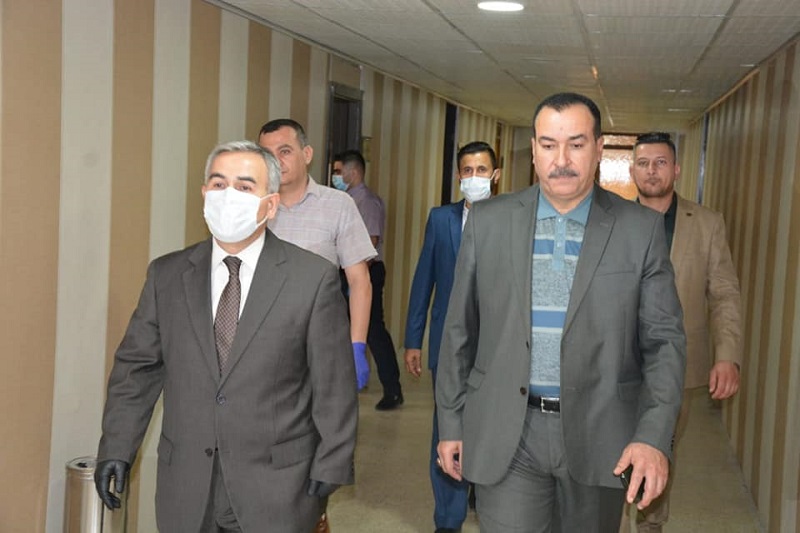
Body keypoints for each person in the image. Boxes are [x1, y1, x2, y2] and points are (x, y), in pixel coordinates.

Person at [435, 92, 687, 533]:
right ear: (534, 150)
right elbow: (460, 331)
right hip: (508, 431)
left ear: (599, 148)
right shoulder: (489, 222)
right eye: (549, 145)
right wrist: (451, 421)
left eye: (576, 144)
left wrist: (652, 436)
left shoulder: (639, 230)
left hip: (601, 435)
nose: (562, 159)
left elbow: (664, 344)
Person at [94, 141, 358, 532]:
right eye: (219, 184)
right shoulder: (167, 276)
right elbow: (136, 370)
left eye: (245, 186)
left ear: (270, 205)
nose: (228, 196)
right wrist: (117, 445)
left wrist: (333, 460)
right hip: (187, 485)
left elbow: (333, 383)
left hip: (278, 485)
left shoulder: (312, 279)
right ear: (204, 194)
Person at [622, 131, 742, 532]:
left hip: (677, 367)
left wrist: (727, 356)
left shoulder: (706, 223)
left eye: (660, 163)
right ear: (632, 170)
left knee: (660, 449)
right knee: (611, 451)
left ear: (676, 169)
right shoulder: (613, 221)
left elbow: (724, 293)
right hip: (617, 364)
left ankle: (650, 525)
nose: (651, 171)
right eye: (643, 163)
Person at [403, 141, 501, 533]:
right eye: (467, 170)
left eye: (482, 170)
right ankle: (448, 518)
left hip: (496, 346)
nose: (474, 177)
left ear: (495, 175)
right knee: (447, 428)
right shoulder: (441, 218)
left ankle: (482, 487)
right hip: (447, 344)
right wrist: (414, 338)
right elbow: (424, 278)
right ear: (459, 176)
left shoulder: (511, 219)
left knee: (490, 425)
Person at [258, 119, 376, 394]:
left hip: (320, 341)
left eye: (285, 151)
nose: (276, 162)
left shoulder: (338, 205)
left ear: (307, 154)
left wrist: (356, 346)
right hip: (262, 342)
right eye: (267, 154)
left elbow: (359, 282)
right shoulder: (253, 207)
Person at [332, 149, 403, 410]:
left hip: (366, 273)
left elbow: (370, 243)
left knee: (373, 331)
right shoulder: (344, 201)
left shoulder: (367, 202)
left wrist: (353, 273)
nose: (335, 176)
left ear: (353, 172)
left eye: (338, 171)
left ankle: (392, 389)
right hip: (346, 273)